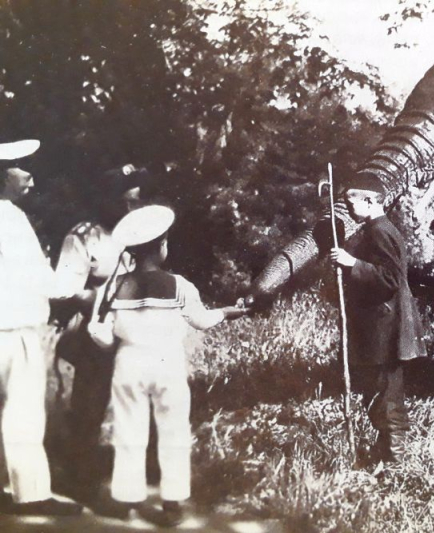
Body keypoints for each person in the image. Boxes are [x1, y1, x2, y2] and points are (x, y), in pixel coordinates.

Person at [86, 205, 248, 526]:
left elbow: (98, 330)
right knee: (173, 430)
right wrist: (227, 312)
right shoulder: (179, 285)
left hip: (128, 362)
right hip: (167, 363)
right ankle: (172, 503)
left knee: (129, 429)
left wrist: (113, 345)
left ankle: (128, 498)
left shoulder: (114, 286)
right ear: (162, 247)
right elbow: (201, 321)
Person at [50, 164, 151, 502]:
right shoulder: (83, 236)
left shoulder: (143, 234)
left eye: (135, 203)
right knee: (90, 401)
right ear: (107, 200)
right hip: (93, 332)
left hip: (133, 332)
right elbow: (63, 288)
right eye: (124, 202)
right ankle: (77, 473)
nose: (129, 210)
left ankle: (138, 472)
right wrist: (96, 298)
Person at [0, 139, 83, 516]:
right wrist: (78, 284)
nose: (31, 177)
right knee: (24, 410)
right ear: (3, 175)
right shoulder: (11, 219)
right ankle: (31, 494)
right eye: (22, 168)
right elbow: (42, 280)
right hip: (14, 329)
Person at [330, 174, 427, 462]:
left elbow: (391, 279)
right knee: (379, 393)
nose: (347, 207)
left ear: (370, 200)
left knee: (386, 396)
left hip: (385, 329)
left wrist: (352, 263)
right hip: (379, 328)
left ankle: (397, 463)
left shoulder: (380, 231)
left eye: (351, 200)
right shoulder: (373, 230)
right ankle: (387, 454)